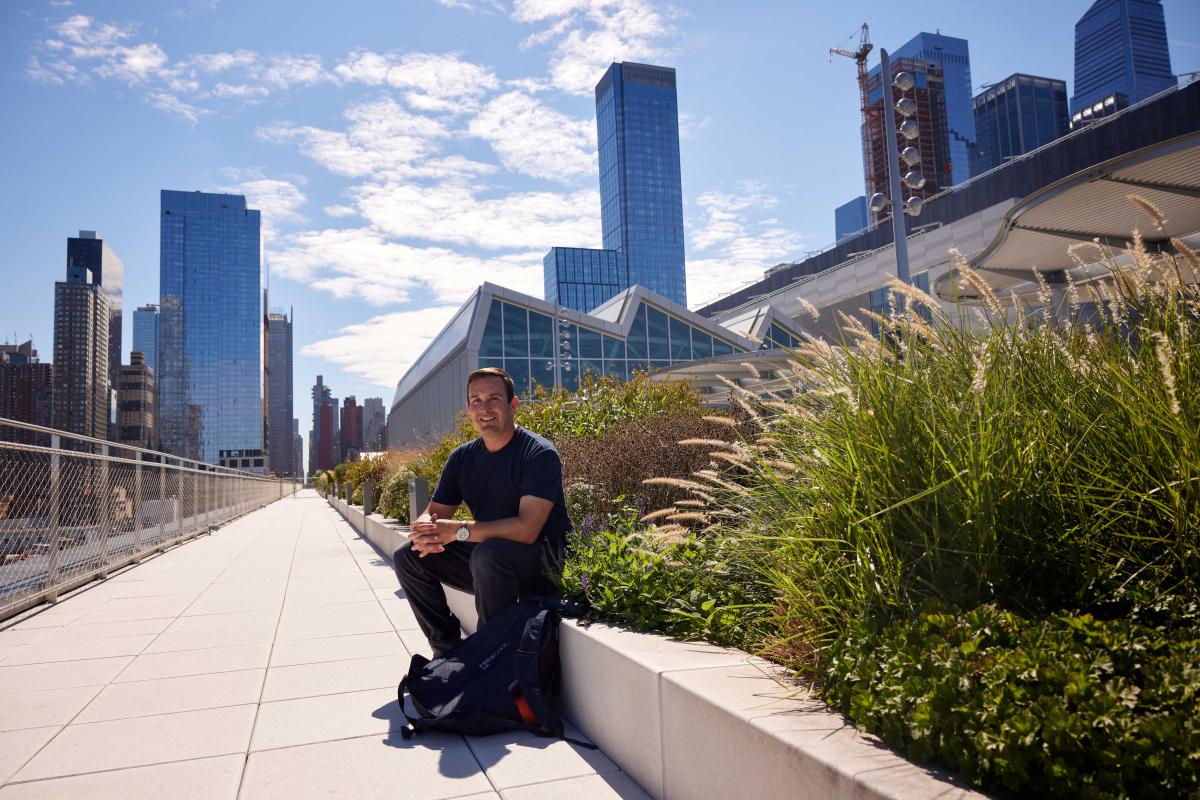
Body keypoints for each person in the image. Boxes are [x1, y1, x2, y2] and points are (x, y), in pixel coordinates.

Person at [393, 367, 572, 657]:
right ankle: (447, 651)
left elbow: (528, 530)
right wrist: (425, 528)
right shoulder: (462, 457)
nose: (484, 408)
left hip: (544, 560)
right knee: (408, 556)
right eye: (476, 401)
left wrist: (459, 531)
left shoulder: (538, 453)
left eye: (494, 399)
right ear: (468, 409)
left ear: (513, 405)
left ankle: (488, 657)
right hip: (489, 562)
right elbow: (435, 512)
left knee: (487, 554)